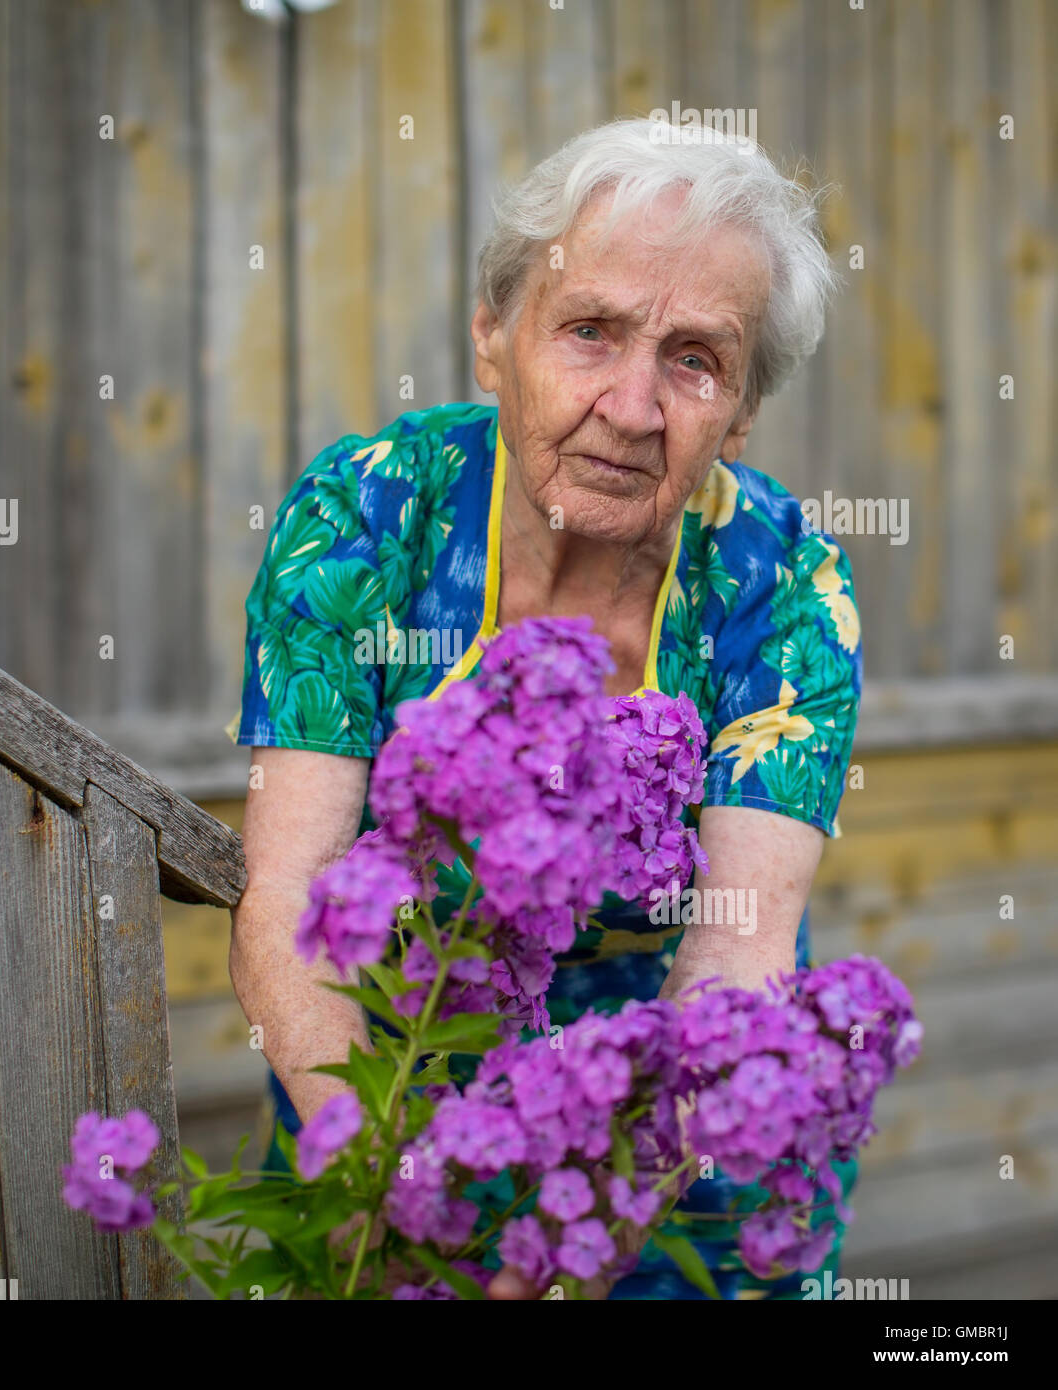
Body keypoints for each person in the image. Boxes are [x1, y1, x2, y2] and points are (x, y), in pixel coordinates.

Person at [225, 115, 861, 1299]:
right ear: (490, 336)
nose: (630, 405)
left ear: (741, 409)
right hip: (374, 1112)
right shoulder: (367, 517)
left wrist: (569, 1253)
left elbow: (736, 951)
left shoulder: (782, 585)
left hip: (671, 1177)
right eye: (589, 331)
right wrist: (394, 1193)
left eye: (694, 359)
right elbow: (290, 893)